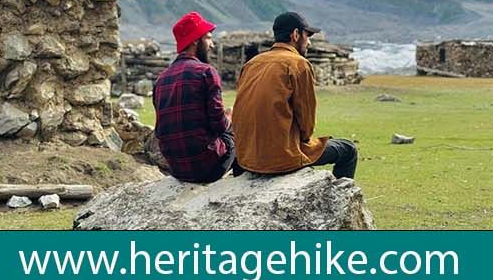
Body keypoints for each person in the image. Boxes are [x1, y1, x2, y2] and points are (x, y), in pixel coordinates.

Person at [233, 11, 358, 179]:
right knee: (348, 150)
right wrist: (307, 141)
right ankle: (339, 201)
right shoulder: (298, 64)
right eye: (308, 35)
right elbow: (306, 122)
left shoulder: (251, 64)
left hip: (246, 157)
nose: (309, 41)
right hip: (280, 158)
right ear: (296, 34)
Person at [152, 11, 233, 183]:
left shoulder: (161, 79)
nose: (211, 44)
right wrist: (229, 117)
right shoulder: (205, 72)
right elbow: (219, 125)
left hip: (176, 169)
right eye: (208, 38)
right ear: (196, 40)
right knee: (236, 131)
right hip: (206, 167)